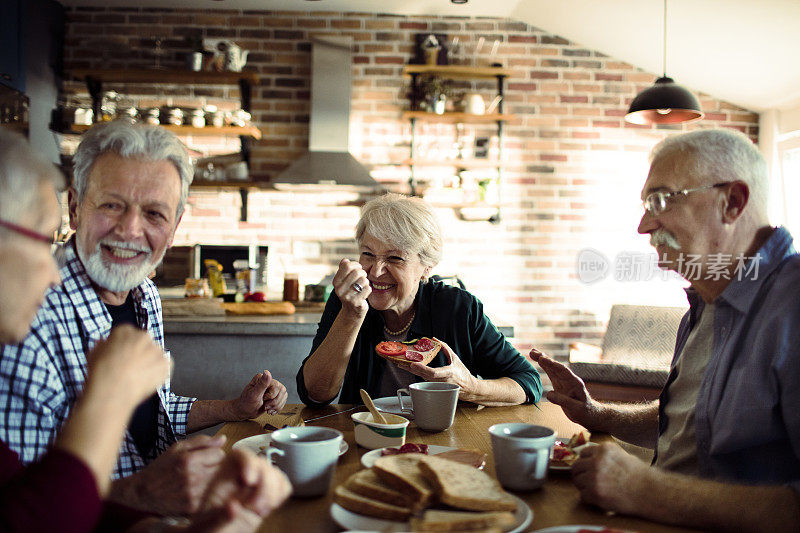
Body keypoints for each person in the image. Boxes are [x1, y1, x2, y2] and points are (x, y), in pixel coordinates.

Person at [0, 128, 292, 531]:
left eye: (154, 213)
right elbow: (26, 506)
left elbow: (152, 410)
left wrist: (233, 409)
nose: (131, 230)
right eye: (112, 206)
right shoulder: (20, 317)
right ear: (74, 209)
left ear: (174, 226)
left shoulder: (144, 294)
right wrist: (141, 493)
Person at [531, 128, 800, 532]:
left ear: (733, 202)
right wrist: (597, 414)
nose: (643, 225)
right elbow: (687, 422)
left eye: (661, 200)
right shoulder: (704, 300)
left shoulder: (792, 306)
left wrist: (645, 489)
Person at [297, 193, 542, 407]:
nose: (376, 271)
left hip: (444, 439)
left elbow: (528, 382)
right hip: (366, 435)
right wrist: (352, 315)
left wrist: (469, 386)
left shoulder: (459, 309)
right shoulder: (347, 302)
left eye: (395, 258)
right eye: (368, 254)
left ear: (426, 267)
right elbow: (315, 394)